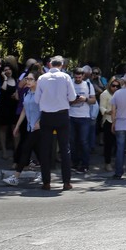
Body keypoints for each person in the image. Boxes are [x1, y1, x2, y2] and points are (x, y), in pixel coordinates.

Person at [34, 56, 78, 191]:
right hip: (62, 115)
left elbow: (37, 99)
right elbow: (72, 97)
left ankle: (46, 182)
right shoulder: (65, 78)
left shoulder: (42, 78)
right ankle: (66, 182)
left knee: (45, 149)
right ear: (62, 65)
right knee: (65, 149)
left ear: (50, 64)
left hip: (47, 116)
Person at [3, 72, 42, 187]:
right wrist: (18, 126)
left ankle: (15, 177)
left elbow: (46, 110)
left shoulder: (41, 94)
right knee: (39, 153)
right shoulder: (27, 93)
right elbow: (24, 111)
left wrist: (39, 123)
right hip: (30, 127)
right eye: (27, 79)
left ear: (37, 81)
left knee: (25, 149)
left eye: (31, 79)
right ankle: (45, 173)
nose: (28, 81)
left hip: (39, 128)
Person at [69, 68, 96, 174]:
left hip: (84, 116)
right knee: (72, 141)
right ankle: (75, 162)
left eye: (79, 77)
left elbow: (93, 100)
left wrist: (85, 99)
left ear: (83, 76)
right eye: (76, 77)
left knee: (84, 141)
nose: (77, 79)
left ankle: (85, 164)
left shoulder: (88, 85)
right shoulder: (70, 83)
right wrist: (73, 101)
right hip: (71, 115)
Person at [0, 62, 19, 160]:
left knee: (15, 129)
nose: (7, 71)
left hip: (14, 107)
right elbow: (3, 90)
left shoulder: (17, 80)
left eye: (9, 69)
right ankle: (4, 151)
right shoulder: (1, 80)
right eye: (5, 70)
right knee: (3, 129)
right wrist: (5, 78)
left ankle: (17, 151)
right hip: (4, 107)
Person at [99, 77, 119, 173]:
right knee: (108, 144)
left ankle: (117, 162)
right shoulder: (105, 94)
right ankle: (107, 163)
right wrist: (107, 111)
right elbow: (101, 107)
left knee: (119, 144)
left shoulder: (120, 94)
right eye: (113, 85)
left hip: (120, 121)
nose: (115, 88)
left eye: (117, 86)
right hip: (108, 120)